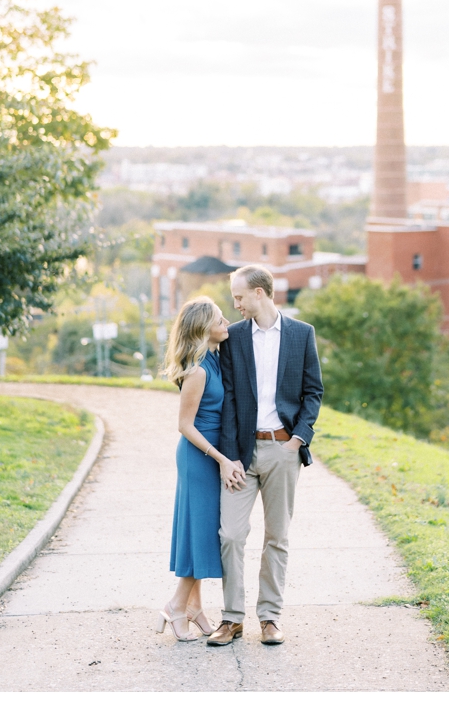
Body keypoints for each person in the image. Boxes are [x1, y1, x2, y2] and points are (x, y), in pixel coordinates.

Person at [206, 265, 324, 647]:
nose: (234, 304)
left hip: (283, 450)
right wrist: (229, 457)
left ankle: (270, 617)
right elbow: (229, 403)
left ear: (260, 293)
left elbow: (313, 392)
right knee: (231, 535)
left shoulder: (301, 335)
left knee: (277, 537)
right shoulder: (233, 338)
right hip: (241, 453)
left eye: (239, 297)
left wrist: (298, 440)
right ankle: (231, 618)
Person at [157, 296, 245, 641]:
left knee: (199, 533)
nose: (227, 324)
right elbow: (185, 425)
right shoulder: (197, 370)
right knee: (202, 534)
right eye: (220, 320)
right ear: (203, 328)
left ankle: (194, 609)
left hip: (211, 455)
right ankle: (176, 607)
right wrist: (221, 459)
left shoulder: (216, 359)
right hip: (199, 457)